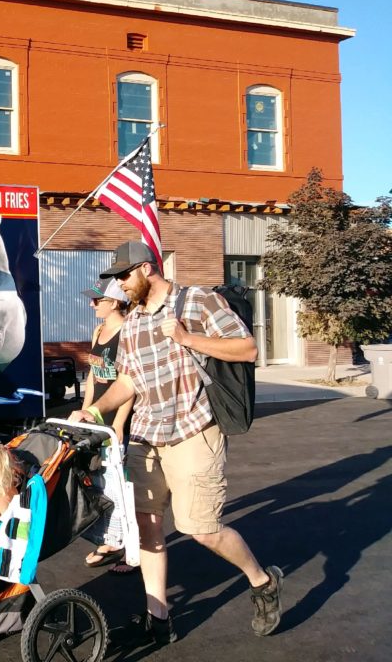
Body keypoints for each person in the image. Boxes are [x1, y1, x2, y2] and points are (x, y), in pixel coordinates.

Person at [70, 240, 283, 647]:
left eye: (123, 276)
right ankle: (159, 617)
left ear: (148, 269)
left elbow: (247, 348)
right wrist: (95, 412)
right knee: (147, 528)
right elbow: (128, 380)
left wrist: (188, 339)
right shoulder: (131, 323)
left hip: (194, 431)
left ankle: (262, 580)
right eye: (115, 278)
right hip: (146, 435)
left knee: (200, 529)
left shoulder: (197, 301)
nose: (119, 286)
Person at [78, 277, 136, 574]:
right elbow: (92, 375)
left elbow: (130, 383)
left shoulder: (128, 332)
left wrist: (121, 424)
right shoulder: (99, 330)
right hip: (98, 418)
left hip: (118, 418)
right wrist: (86, 410)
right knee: (101, 480)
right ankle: (113, 539)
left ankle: (127, 548)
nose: (92, 304)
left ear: (115, 302)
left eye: (97, 300)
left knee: (120, 484)